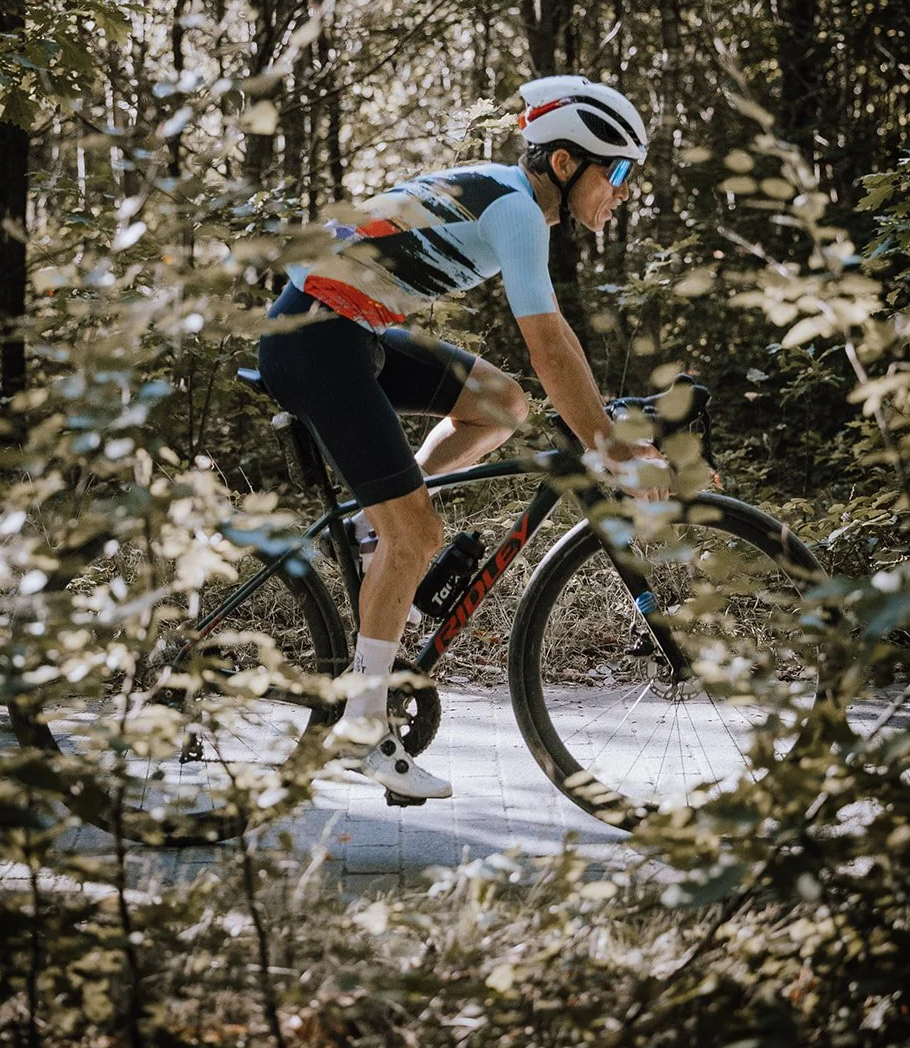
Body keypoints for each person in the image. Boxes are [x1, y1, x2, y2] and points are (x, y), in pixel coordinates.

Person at [257, 74, 664, 801]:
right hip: (316, 338)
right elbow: (549, 344)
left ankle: (366, 533)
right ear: (565, 164)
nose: (626, 190)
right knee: (417, 532)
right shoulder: (515, 209)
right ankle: (361, 727)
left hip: (351, 327)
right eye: (619, 170)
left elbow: (535, 369)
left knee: (499, 403)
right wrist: (603, 440)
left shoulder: (510, 197)